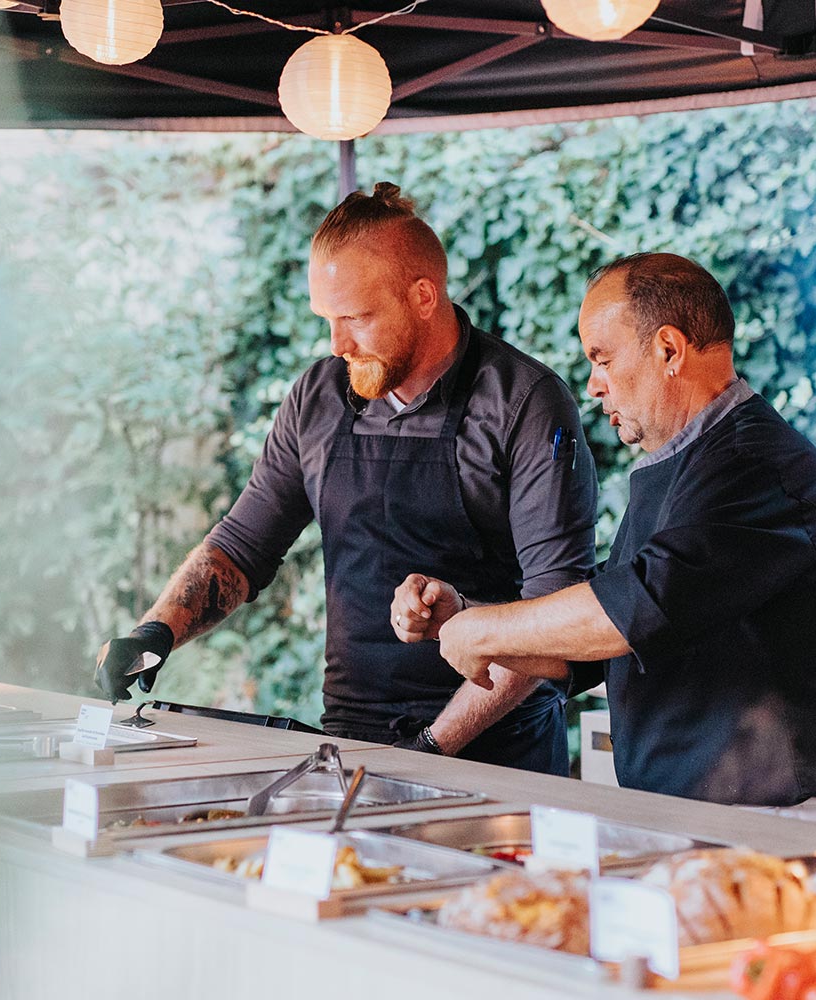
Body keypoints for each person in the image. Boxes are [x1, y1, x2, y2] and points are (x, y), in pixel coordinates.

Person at [93, 183, 597, 775]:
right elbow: (240, 549)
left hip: (497, 754)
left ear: (423, 296)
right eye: (327, 319)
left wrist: (432, 748)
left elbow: (553, 616)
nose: (337, 344)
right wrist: (156, 631)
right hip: (350, 739)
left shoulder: (523, 403)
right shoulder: (318, 396)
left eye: (355, 318)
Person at [391, 252, 816, 819]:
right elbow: (609, 637)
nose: (594, 386)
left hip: (789, 816)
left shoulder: (751, 463)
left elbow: (640, 605)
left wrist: (485, 629)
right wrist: (467, 616)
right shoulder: (684, 462)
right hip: (709, 813)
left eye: (602, 358)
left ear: (668, 350)